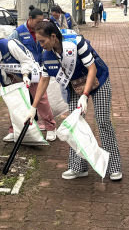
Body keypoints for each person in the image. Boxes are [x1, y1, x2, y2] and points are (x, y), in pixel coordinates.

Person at [29, 20, 122, 181]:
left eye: (42, 41)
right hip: (74, 85)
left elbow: (92, 68)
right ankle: (78, 167)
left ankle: (113, 166)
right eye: (39, 42)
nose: (41, 45)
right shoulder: (47, 55)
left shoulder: (77, 43)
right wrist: (33, 107)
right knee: (74, 125)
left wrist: (85, 96)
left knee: (103, 121)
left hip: (98, 80)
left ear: (53, 37)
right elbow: (44, 80)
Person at [0, 30, 44, 142]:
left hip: (27, 75)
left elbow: (25, 60)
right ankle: (15, 131)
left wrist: (25, 74)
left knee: (39, 101)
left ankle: (49, 126)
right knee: (13, 106)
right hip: (9, 81)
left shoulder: (8, 45)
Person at [8, 6, 57, 141]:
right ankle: (13, 129)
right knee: (17, 101)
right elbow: (9, 45)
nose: (40, 24)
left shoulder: (41, 31)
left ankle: (51, 127)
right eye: (38, 21)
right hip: (22, 72)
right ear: (30, 19)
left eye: (42, 21)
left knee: (41, 100)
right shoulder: (18, 32)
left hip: (39, 71)